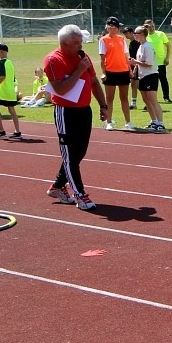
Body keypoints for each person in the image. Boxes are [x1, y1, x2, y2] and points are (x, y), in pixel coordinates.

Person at [44, 25, 110, 210]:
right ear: (64, 43)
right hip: (65, 112)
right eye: (76, 43)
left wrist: (103, 105)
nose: (80, 46)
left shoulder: (83, 56)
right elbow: (61, 89)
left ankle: (57, 186)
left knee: (79, 153)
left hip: (84, 110)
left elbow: (94, 82)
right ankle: (80, 194)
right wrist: (79, 70)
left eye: (81, 42)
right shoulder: (53, 60)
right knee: (70, 156)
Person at [98, 16, 134, 131]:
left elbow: (126, 55)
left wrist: (130, 70)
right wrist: (103, 73)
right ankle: (109, 122)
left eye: (118, 27)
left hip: (123, 71)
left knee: (124, 98)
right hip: (110, 72)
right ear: (110, 27)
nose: (118, 29)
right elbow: (102, 59)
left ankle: (128, 122)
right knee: (109, 98)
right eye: (116, 27)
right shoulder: (103, 40)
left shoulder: (121, 39)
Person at [133, 26, 165, 132]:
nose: (134, 35)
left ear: (142, 34)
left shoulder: (148, 46)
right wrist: (134, 71)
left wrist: (135, 62)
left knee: (153, 100)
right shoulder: (140, 46)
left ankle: (160, 123)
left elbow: (149, 63)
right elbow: (138, 62)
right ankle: (154, 121)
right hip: (142, 76)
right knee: (146, 100)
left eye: (136, 33)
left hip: (150, 75)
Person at [0, 43, 22, 140]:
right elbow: (12, 78)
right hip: (10, 91)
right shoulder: (10, 63)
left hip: (1, 92)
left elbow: (2, 77)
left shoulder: (1, 62)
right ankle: (17, 132)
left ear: (1, 52)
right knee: (12, 111)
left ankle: (1, 131)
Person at [144, 19, 171, 104]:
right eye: (149, 26)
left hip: (160, 62)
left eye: (153, 26)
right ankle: (152, 99)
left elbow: (168, 46)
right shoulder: (144, 37)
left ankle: (166, 97)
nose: (152, 28)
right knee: (152, 82)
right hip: (150, 63)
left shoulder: (161, 34)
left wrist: (167, 58)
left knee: (163, 80)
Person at [123, 25, 139, 109]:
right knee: (134, 84)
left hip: (137, 66)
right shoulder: (131, 43)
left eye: (127, 33)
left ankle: (147, 102)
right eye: (124, 34)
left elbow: (138, 57)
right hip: (132, 66)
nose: (126, 35)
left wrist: (135, 68)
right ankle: (134, 103)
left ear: (132, 33)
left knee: (137, 85)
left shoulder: (136, 43)